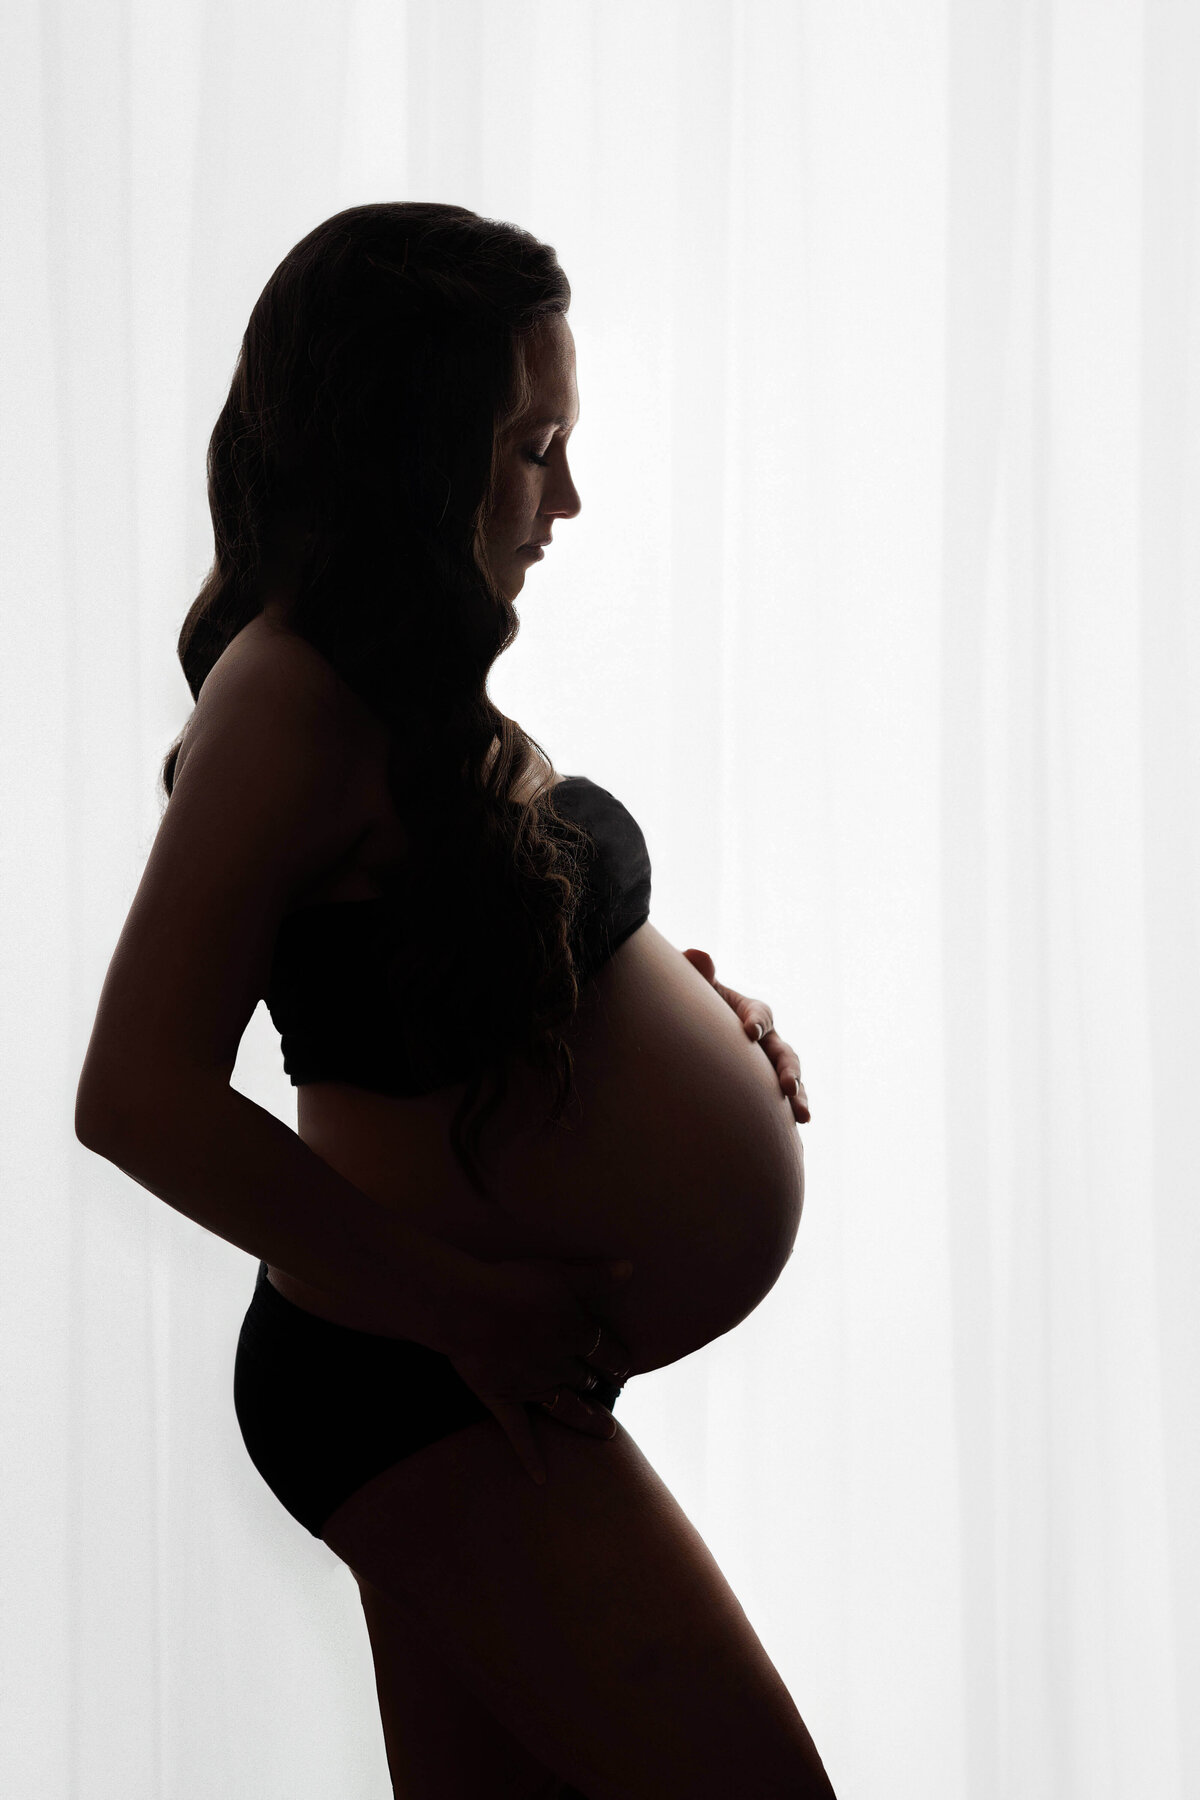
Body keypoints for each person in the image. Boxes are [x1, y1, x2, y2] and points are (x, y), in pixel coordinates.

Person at [74, 202, 835, 1799]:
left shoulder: (401, 679)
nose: (566, 497)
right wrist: (464, 1307)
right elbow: (134, 1092)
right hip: (411, 1371)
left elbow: (415, 987)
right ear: (408, 451)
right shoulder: (283, 696)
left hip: (459, 1366)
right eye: (530, 445)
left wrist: (648, 997)